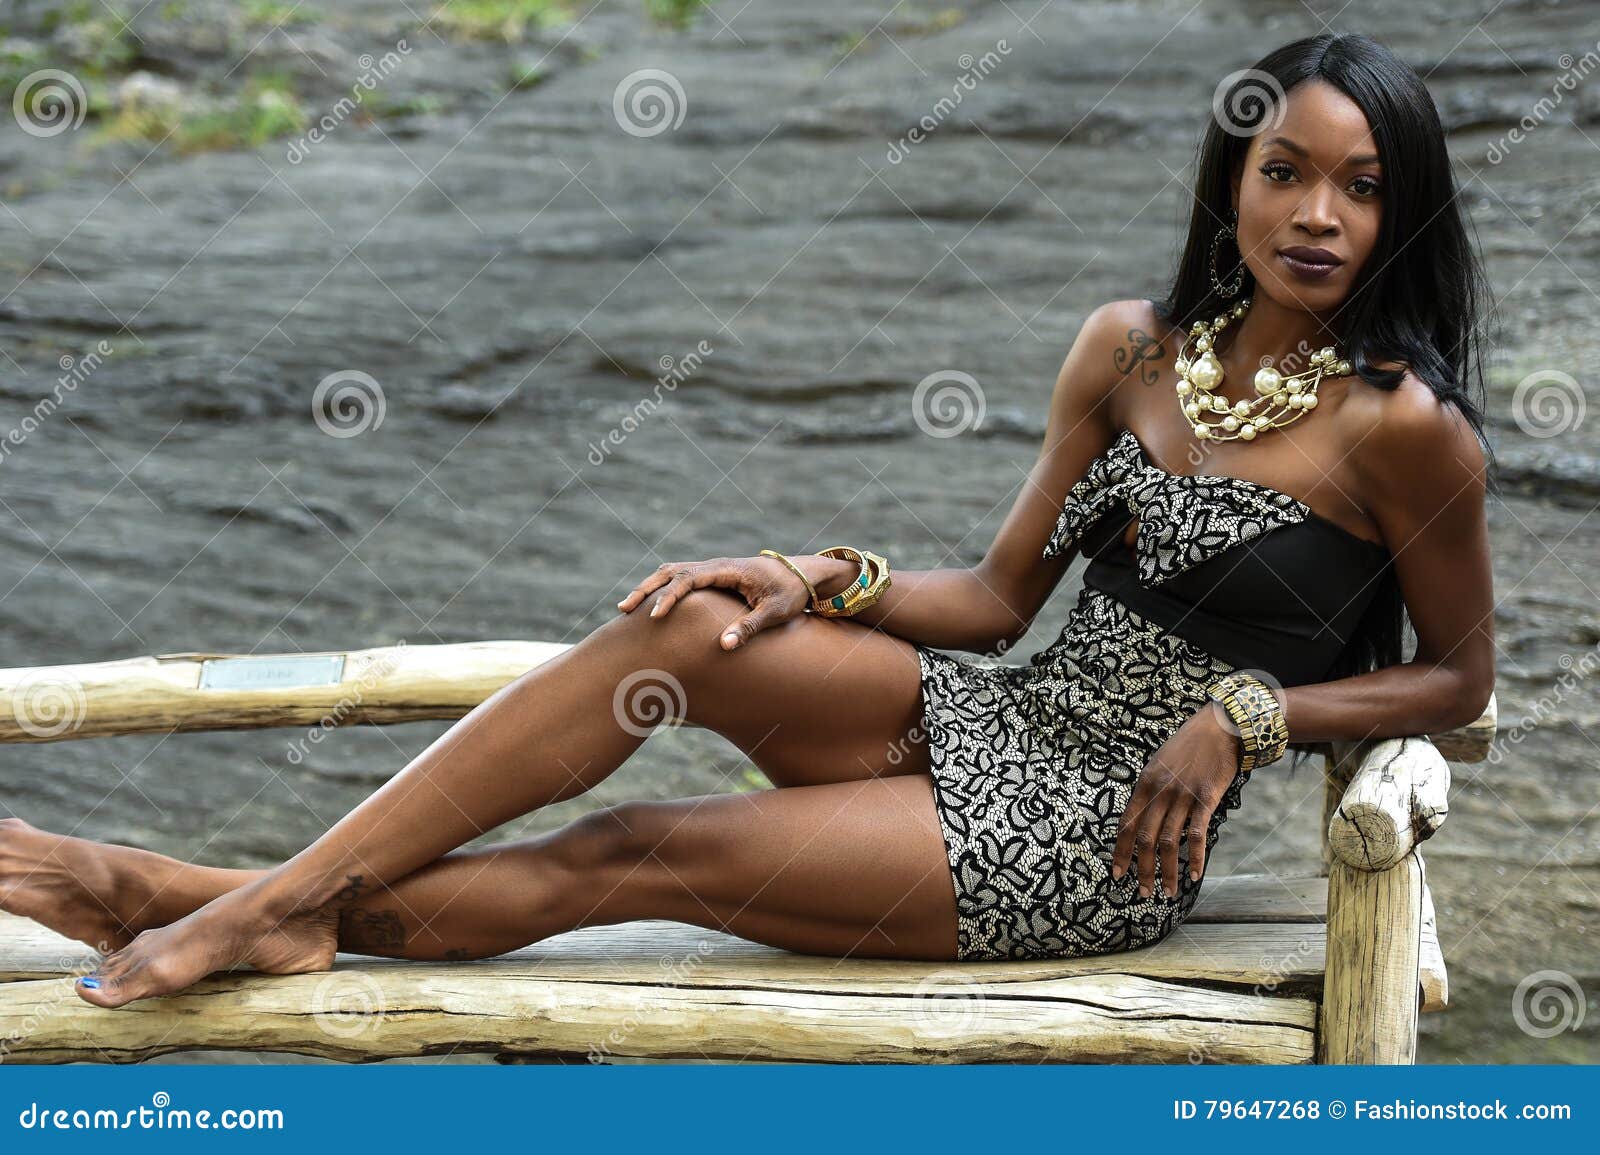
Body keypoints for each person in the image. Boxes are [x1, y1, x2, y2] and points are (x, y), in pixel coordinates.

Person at [1, 31, 1495, 1007]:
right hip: (1000, 721)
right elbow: (989, 599)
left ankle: (171, 892)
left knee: (630, 849)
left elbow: (1459, 679)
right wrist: (809, 575)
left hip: (1101, 840)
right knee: (688, 627)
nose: (1314, 214)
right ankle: (266, 902)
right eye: (1283, 171)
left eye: (1360, 189)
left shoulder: (1403, 429)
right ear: (1232, 179)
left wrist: (1251, 712)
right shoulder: (1131, 349)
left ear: (1398, 209)